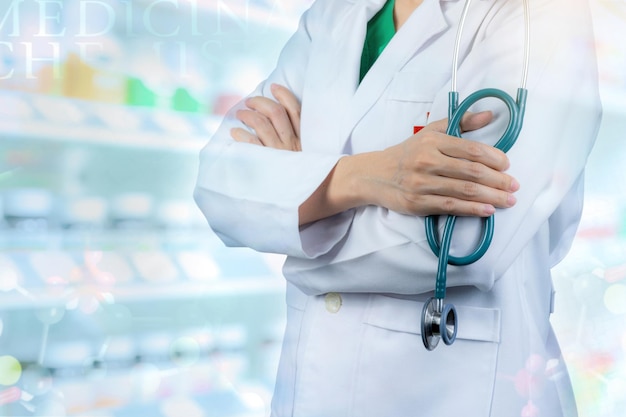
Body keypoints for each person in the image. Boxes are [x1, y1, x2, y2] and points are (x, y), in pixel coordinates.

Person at [194, 0, 602, 415]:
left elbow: (463, 244)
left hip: (460, 392)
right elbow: (219, 184)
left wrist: (294, 215)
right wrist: (367, 176)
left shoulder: (541, 15)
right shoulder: (334, 15)